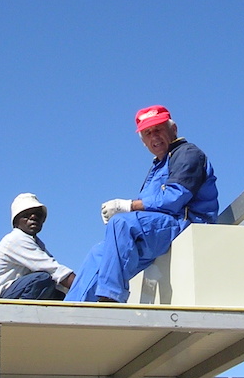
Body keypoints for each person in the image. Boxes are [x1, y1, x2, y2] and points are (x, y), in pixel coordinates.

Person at [66, 105, 218, 303]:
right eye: (147, 133)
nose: (154, 137)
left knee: (121, 224)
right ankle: (71, 308)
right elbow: (149, 209)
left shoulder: (187, 153)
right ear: (143, 141)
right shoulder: (158, 165)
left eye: (158, 129)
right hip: (160, 230)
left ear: (173, 129)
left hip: (187, 223)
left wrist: (127, 206)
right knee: (99, 252)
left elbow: (174, 198)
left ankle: (110, 299)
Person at [0, 193, 75, 301]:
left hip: (5, 294)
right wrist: (86, 287)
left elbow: (58, 278)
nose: (33, 217)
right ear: (16, 222)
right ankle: (19, 315)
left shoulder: (37, 244)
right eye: (26, 215)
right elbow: (55, 270)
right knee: (42, 279)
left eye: (38, 215)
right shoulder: (16, 239)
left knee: (57, 290)